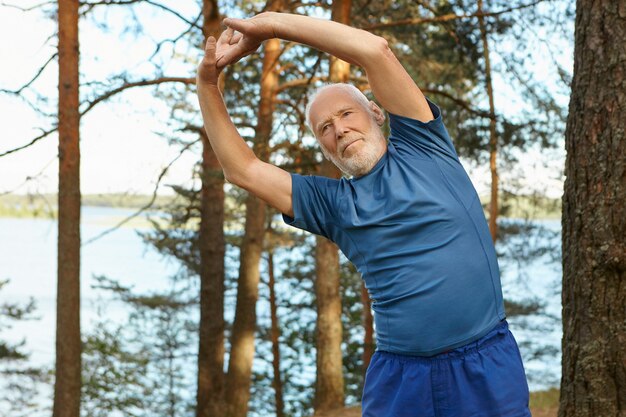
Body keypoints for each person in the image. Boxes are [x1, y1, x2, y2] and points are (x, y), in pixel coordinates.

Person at [196, 11, 532, 417]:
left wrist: (269, 26)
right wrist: (207, 84)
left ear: (375, 113)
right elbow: (243, 169)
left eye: (345, 114)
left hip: (484, 364)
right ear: (324, 148)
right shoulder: (332, 205)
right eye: (324, 128)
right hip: (401, 379)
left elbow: (374, 50)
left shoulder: (424, 146)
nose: (337, 129)